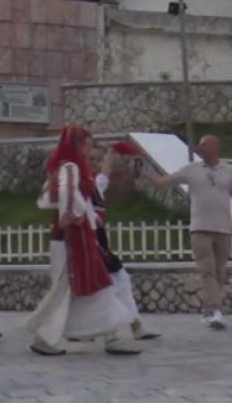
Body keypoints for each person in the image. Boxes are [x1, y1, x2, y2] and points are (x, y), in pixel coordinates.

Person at [28, 126, 138, 357]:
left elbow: (75, 198)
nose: (89, 148)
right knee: (66, 289)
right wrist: (70, 215)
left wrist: (91, 217)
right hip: (70, 240)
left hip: (81, 238)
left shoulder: (72, 168)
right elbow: (61, 195)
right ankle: (44, 334)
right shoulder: (70, 168)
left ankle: (112, 335)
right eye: (86, 144)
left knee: (98, 285)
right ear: (78, 145)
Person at [145, 135, 232, 330]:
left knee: (219, 272)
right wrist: (142, 174)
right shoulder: (192, 170)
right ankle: (216, 310)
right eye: (199, 145)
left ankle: (208, 310)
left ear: (215, 146)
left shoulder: (230, 171)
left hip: (223, 229)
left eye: (204, 145)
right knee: (207, 270)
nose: (200, 148)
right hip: (200, 229)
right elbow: (163, 183)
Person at [92, 141, 159, 341]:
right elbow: (98, 184)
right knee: (106, 286)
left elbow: (101, 181)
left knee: (119, 279)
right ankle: (110, 330)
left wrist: (112, 156)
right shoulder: (81, 181)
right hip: (90, 239)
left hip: (99, 239)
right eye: (90, 159)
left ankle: (134, 325)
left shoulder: (89, 182)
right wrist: (110, 159)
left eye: (96, 159)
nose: (94, 163)